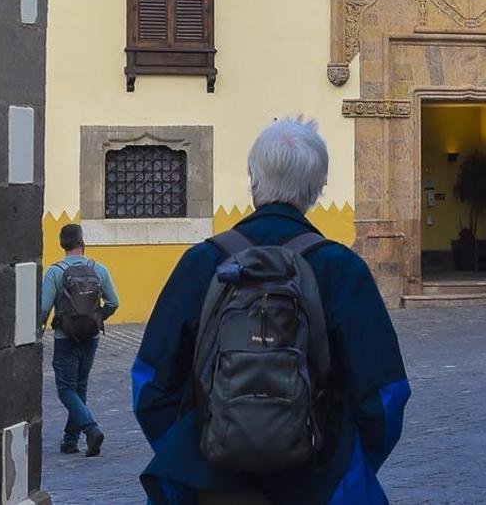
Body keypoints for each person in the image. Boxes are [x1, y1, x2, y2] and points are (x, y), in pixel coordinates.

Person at [132, 117, 411, 504]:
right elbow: (385, 394)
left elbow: (150, 383)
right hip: (320, 482)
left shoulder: (201, 263)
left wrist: (194, 453)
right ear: (317, 188)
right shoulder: (341, 268)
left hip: (209, 485)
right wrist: (344, 460)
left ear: (253, 179)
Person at [40, 224, 119, 457]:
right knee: (80, 386)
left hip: (65, 337)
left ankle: (91, 429)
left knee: (66, 389)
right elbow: (114, 303)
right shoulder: (99, 269)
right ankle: (70, 440)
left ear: (62, 244)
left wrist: (38, 329)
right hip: (91, 337)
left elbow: (43, 308)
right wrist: (98, 317)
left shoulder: (55, 272)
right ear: (82, 241)